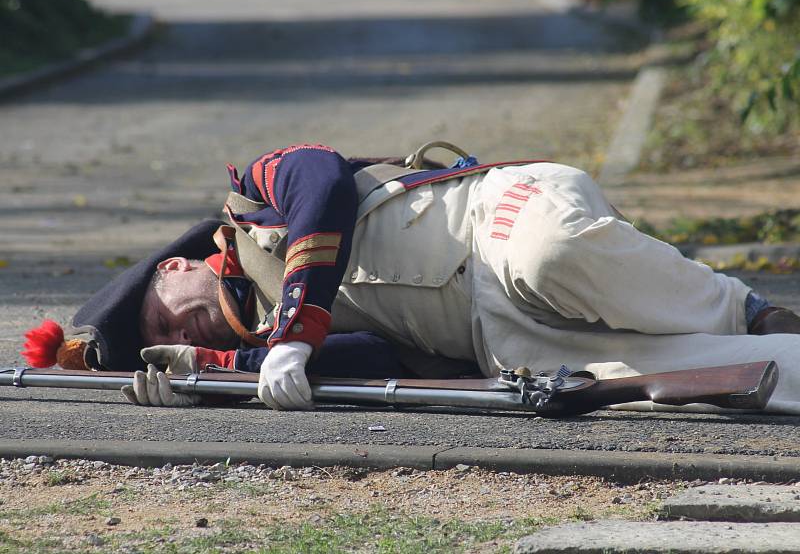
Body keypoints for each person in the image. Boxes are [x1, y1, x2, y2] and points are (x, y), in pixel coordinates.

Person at [26, 143, 800, 413]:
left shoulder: (252, 194)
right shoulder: (253, 353)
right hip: (494, 339)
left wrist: (295, 329)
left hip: (496, 220)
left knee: (550, 257)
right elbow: (375, 361)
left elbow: (321, 181)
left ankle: (748, 306)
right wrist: (213, 374)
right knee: (695, 380)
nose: (171, 334)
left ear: (174, 267)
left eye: (159, 320)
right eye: (158, 346)